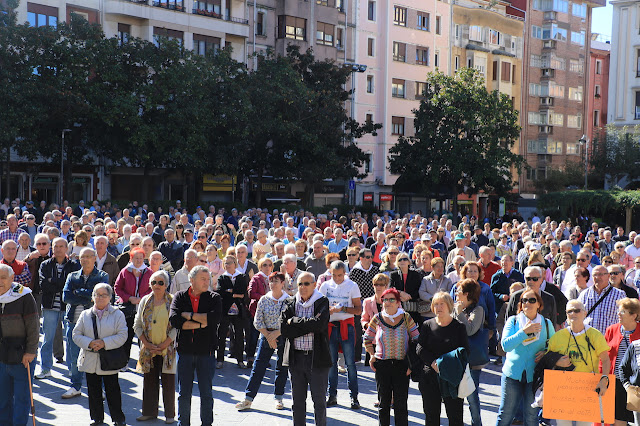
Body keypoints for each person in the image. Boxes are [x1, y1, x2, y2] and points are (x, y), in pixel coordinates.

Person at [169, 265, 222, 426]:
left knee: (206, 392)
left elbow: (214, 320)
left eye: (208, 279)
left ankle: (207, 423)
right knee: (184, 393)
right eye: (203, 279)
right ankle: (183, 423)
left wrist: (190, 316)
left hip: (206, 351)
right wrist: (201, 322)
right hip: (185, 351)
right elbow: (175, 321)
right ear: (191, 280)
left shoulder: (214, 298)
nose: (207, 282)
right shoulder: (179, 296)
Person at [495, 288, 557, 426]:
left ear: (539, 305)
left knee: (531, 417)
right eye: (524, 300)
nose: (527, 303)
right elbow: (505, 346)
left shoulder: (546, 324)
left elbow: (554, 347)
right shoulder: (513, 321)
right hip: (512, 375)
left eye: (532, 300)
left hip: (534, 377)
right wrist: (524, 332)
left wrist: (546, 352)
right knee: (505, 414)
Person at [547, 299, 611, 426]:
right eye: (569, 311)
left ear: (585, 313)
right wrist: (557, 362)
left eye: (577, 310)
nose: (573, 314)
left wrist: (604, 380)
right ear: (566, 314)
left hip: (587, 389)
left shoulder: (595, 335)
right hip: (562, 390)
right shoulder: (557, 337)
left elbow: (605, 359)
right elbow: (548, 361)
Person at [72, 283, 128, 426]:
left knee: (112, 390)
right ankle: (97, 418)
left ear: (110, 297)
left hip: (110, 358)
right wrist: (90, 343)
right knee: (93, 390)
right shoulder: (85, 314)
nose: (100, 298)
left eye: (104, 295)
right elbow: (76, 335)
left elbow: (123, 335)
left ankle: (118, 418)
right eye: (97, 294)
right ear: (93, 297)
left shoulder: (118, 314)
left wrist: (104, 343)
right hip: (91, 358)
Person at [280, 271, 331, 426]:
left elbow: (319, 325)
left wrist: (293, 322)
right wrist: (308, 324)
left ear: (314, 285)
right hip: (296, 359)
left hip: (317, 359)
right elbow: (284, 329)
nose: (302, 287)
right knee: (297, 403)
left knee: (319, 402)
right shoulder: (290, 302)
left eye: (306, 283)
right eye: (300, 284)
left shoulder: (322, 302)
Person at [235, 271, 290, 411]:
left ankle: (279, 398)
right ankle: (248, 399)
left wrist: (276, 334)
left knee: (282, 367)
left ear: (282, 283)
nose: (272, 284)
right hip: (266, 335)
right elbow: (257, 321)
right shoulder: (264, 299)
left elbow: (289, 322)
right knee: (258, 367)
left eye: (276, 281)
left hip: (283, 335)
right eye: (271, 281)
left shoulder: (289, 300)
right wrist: (269, 336)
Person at [363, 287, 419, 426]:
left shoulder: (406, 317)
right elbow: (367, 338)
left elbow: (417, 340)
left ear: (398, 302)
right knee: (384, 404)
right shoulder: (377, 318)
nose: (387, 302)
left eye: (391, 299)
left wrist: (411, 365)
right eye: (385, 300)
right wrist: (371, 355)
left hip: (402, 366)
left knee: (401, 405)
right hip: (383, 365)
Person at [62, 247, 109, 399]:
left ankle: (98, 389)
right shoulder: (72, 276)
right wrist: (88, 295)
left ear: (95, 258)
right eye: (82, 257)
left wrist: (79, 292)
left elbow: (101, 298)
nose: (85, 259)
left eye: (88, 256)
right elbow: (66, 297)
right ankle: (75, 386)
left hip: (96, 322)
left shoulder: (103, 276)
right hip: (74, 321)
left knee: (97, 356)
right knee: (75, 356)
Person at [415, 291, 468, 426]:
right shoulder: (427, 325)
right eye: (436, 304)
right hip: (430, 376)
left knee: (455, 417)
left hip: (452, 377)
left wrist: (445, 364)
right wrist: (433, 362)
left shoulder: (459, 327)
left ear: (449, 306)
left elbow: (465, 351)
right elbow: (419, 348)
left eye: (442, 304)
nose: (438, 307)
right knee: (431, 416)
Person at [132, 270, 176, 423]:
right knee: (149, 381)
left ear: (166, 285)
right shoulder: (145, 300)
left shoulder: (172, 301)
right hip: (148, 349)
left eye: (160, 283)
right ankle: (149, 412)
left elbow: (177, 327)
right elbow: (137, 325)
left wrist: (165, 344)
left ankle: (170, 414)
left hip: (167, 349)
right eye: (154, 282)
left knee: (169, 383)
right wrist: (146, 343)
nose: (157, 285)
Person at [318, 260, 362, 409]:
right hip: (330, 326)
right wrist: (328, 311)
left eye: (340, 275)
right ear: (330, 273)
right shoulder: (325, 286)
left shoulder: (352, 285)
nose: (337, 278)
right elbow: (319, 308)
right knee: (331, 364)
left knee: (350, 363)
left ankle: (354, 397)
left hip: (346, 325)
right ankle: (332, 395)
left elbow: (358, 310)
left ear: (345, 273)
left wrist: (343, 309)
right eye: (334, 275)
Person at [0, 263, 39, 426]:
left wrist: (31, 351)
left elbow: (33, 326)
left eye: (3, 278)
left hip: (21, 354)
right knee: (2, 397)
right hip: (1, 355)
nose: (0, 281)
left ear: (12, 278)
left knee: (22, 397)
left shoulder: (23, 295)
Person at [453, 279, 485, 426]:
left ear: (466, 294)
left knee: (472, 397)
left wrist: (459, 314)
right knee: (455, 397)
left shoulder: (478, 310)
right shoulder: (456, 308)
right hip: (456, 359)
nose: (455, 293)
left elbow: (470, 330)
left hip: (472, 361)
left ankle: (476, 423)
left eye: (458, 290)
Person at [114, 247, 153, 367]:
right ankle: (124, 362)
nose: (139, 260)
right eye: (136, 258)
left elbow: (152, 289)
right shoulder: (125, 271)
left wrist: (142, 298)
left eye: (141, 258)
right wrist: (129, 298)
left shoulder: (149, 272)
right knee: (127, 336)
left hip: (143, 308)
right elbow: (117, 288)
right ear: (131, 258)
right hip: (128, 308)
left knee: (144, 337)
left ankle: (144, 362)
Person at [604, 298, 640, 426]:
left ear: (634, 315)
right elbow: (604, 356)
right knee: (618, 418)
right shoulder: (611, 330)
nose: (618, 314)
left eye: (623, 311)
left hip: (635, 384)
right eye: (619, 311)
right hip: (616, 382)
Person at [216, 255, 250, 368]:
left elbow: (243, 292)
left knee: (239, 335)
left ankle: (240, 360)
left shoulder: (241, 276)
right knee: (221, 335)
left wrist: (231, 292)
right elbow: (221, 293)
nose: (228, 265)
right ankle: (220, 359)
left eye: (230, 263)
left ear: (235, 264)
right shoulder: (222, 278)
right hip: (225, 311)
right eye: (225, 263)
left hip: (238, 311)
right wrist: (236, 294)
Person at [578, 265, 626, 334]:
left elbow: (624, 317)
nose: (597, 277)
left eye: (600, 274)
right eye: (595, 275)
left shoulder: (619, 294)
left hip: (609, 338)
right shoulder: (584, 294)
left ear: (608, 276)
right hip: (587, 337)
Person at [245, 257, 274, 368]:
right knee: (253, 335)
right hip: (256, 311)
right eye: (264, 265)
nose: (267, 267)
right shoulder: (256, 278)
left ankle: (264, 359)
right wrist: (266, 298)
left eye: (269, 265)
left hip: (270, 312)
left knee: (267, 336)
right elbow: (251, 293)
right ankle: (250, 358)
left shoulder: (273, 278)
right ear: (260, 267)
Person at [391, 252, 424, 329]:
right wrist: (400, 294)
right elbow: (391, 288)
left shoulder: (415, 274)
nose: (402, 261)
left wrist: (409, 296)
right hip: (398, 307)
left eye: (405, 259)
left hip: (412, 307)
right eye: (400, 260)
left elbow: (418, 289)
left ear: (409, 262)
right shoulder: (393, 274)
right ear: (397, 263)